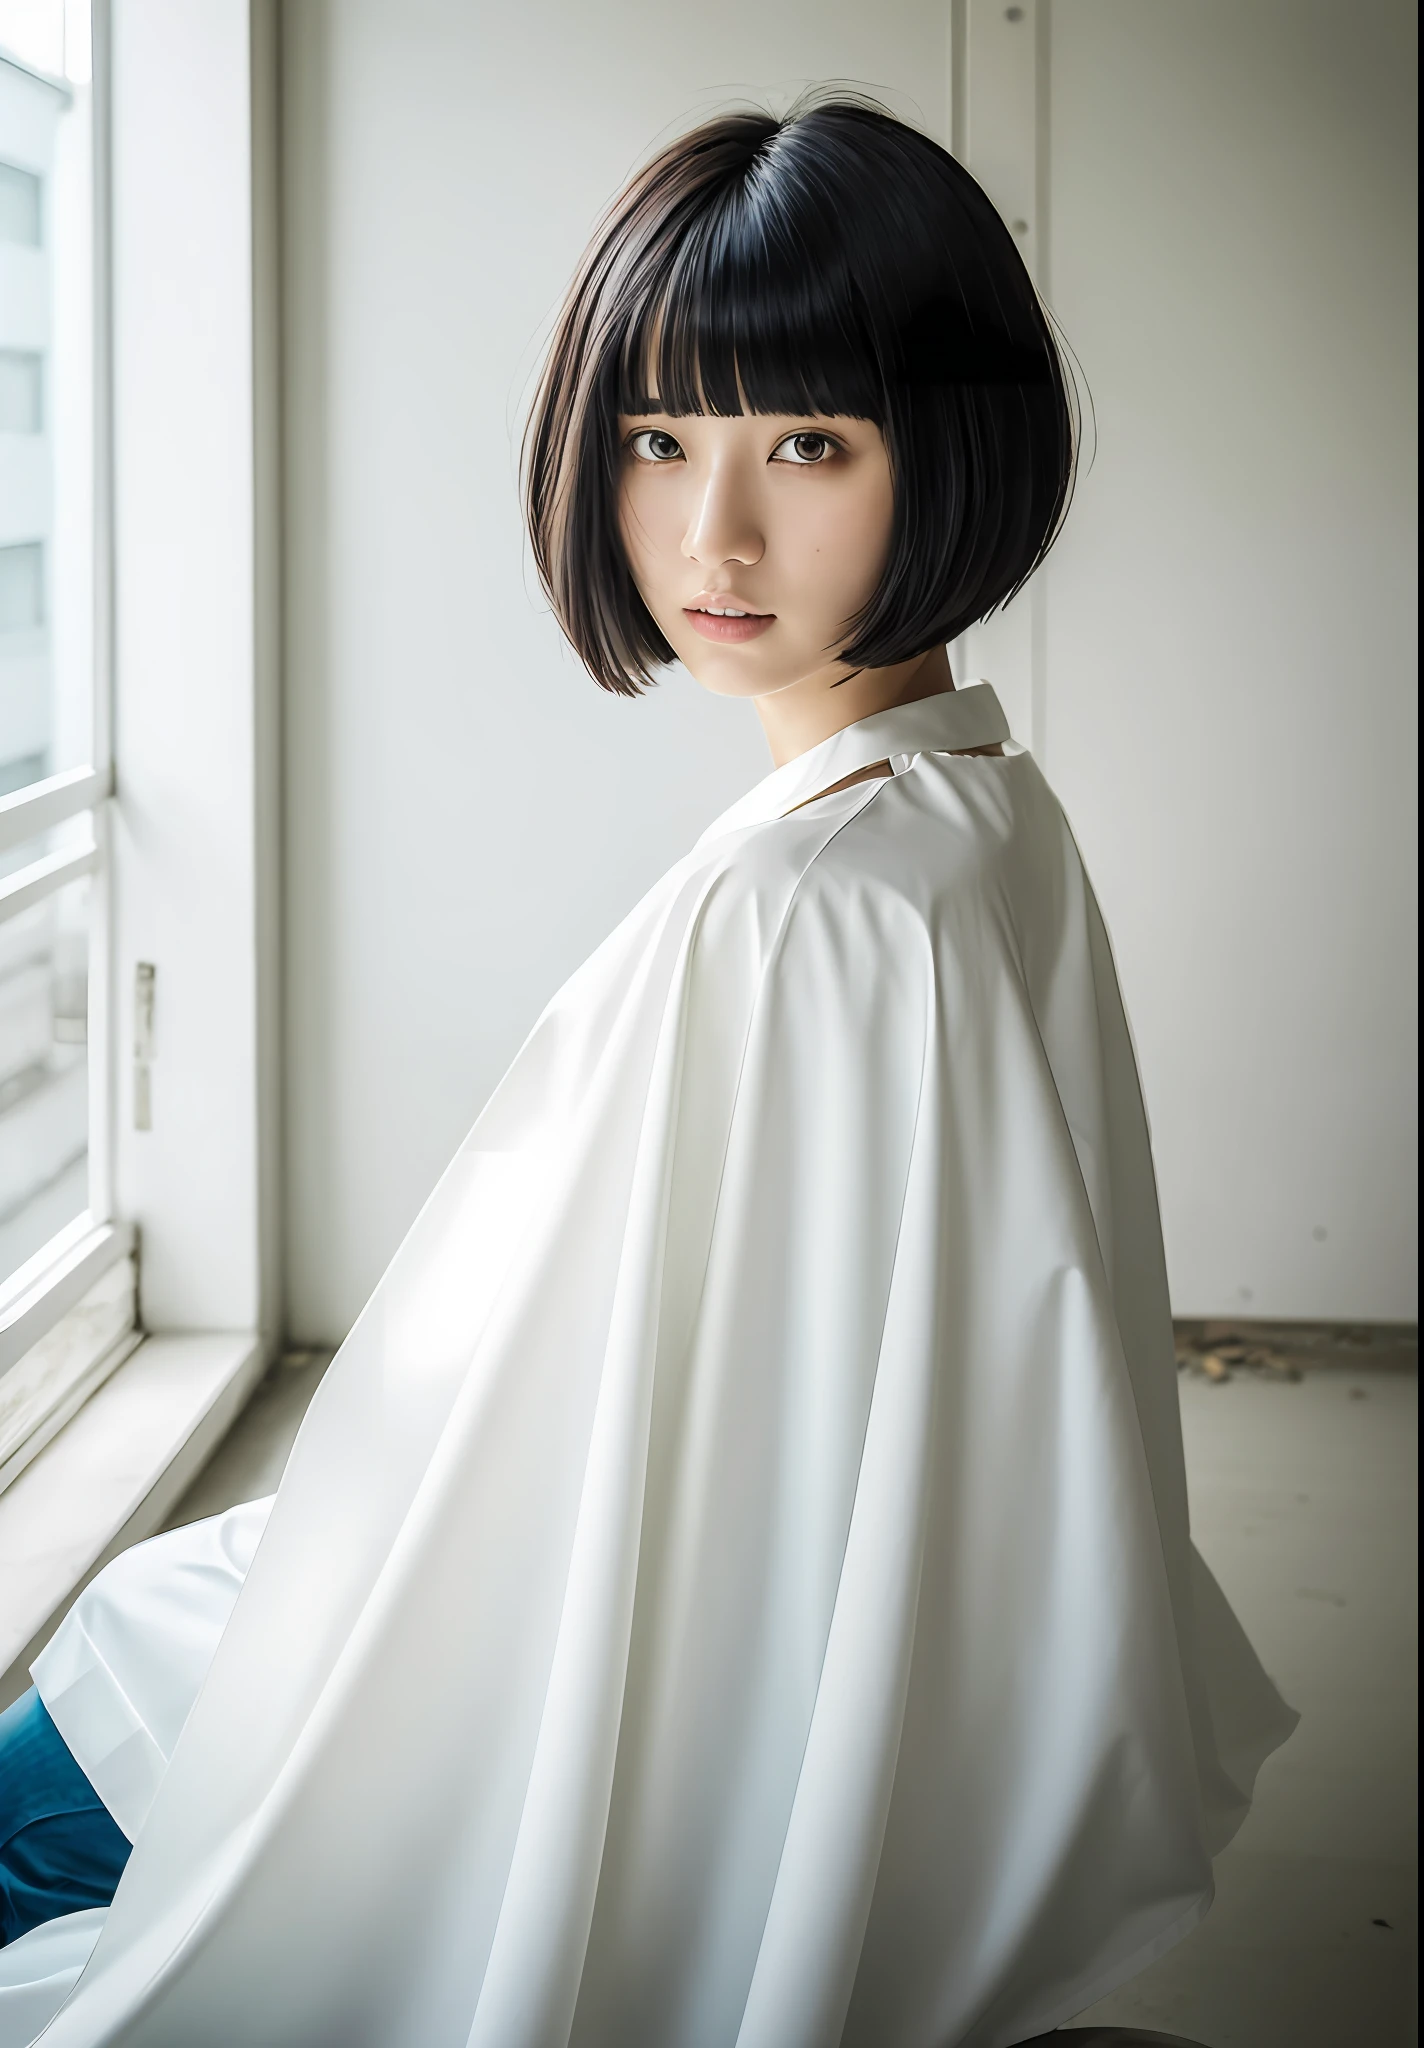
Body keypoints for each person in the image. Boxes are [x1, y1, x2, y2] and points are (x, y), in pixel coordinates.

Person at [0, 95, 1294, 2048]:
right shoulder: (971, 814)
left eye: (804, 442)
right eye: (655, 440)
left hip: (458, 1638)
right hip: (451, 1568)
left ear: (946, 452)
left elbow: (643, 1489)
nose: (714, 534)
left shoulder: (822, 899)